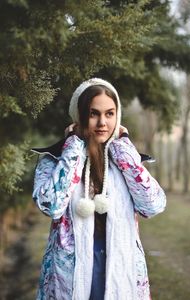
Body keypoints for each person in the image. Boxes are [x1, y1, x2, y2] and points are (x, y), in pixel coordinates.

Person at [32, 78, 166, 300]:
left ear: (118, 116)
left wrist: (124, 150)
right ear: (79, 116)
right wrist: (74, 146)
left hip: (121, 263)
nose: (102, 122)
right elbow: (51, 206)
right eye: (93, 113)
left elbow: (153, 205)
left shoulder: (125, 160)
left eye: (110, 114)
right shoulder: (55, 160)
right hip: (72, 270)